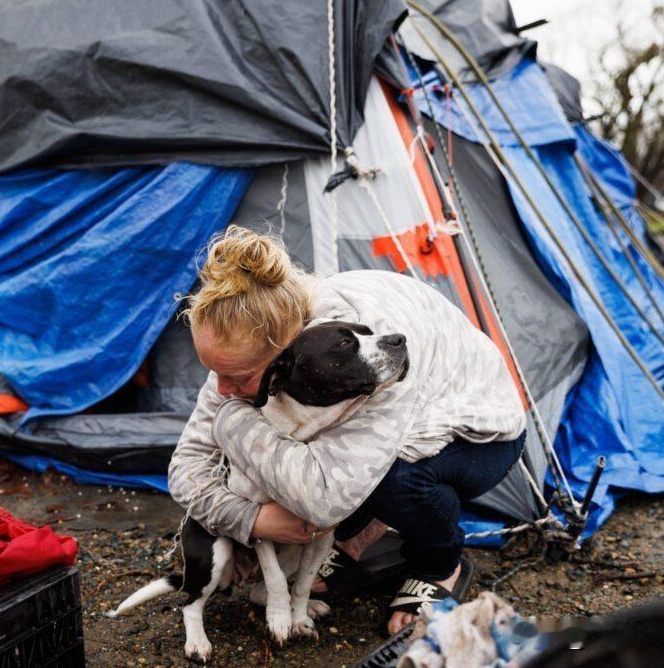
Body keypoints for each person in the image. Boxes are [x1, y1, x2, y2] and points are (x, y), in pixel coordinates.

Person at [167, 226, 526, 634]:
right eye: (214, 372)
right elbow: (186, 467)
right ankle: (357, 544)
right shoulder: (243, 338)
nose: (222, 390)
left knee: (396, 477)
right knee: (311, 447)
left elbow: (324, 501)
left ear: (285, 353)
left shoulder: (371, 353)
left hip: (477, 437)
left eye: (236, 377)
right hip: (377, 439)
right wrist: (250, 519)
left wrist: (232, 422)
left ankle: (441, 564)